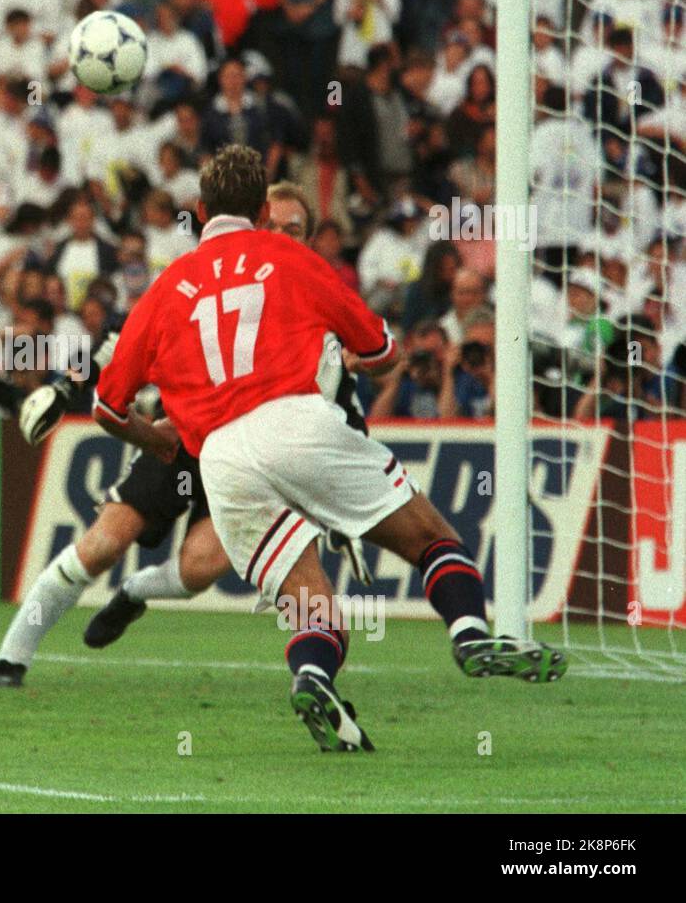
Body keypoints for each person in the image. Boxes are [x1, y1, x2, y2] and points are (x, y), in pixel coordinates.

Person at [91, 145, 565, 753]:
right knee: (430, 538)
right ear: (263, 209)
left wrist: (157, 440)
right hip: (297, 420)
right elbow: (384, 350)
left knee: (306, 596)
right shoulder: (288, 255)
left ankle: (313, 676)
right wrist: (360, 354)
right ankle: (470, 631)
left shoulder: (164, 288)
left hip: (222, 459)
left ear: (200, 209)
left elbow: (106, 408)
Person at [0, 183, 371, 686]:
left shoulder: (316, 299)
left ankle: (135, 593)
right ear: (256, 222)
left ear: (309, 239)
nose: (279, 235)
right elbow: (125, 339)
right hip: (183, 434)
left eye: (293, 229)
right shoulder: (205, 273)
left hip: (255, 457)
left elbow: (345, 400)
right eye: (272, 224)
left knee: (197, 569)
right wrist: (66, 387)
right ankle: (11, 657)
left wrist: (349, 509)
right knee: (104, 542)